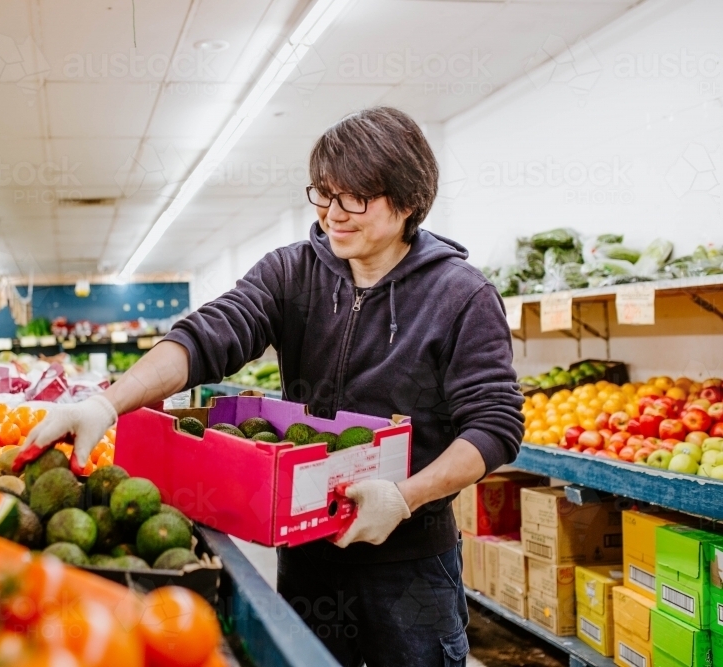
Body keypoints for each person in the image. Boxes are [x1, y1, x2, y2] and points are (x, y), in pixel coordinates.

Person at [26, 107, 525, 667]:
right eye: (324, 193)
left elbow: (495, 425)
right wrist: (107, 402)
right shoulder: (291, 274)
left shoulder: (461, 296)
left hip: (410, 563)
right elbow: (211, 334)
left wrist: (404, 498)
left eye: (354, 198)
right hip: (308, 552)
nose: (332, 214)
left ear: (407, 202)